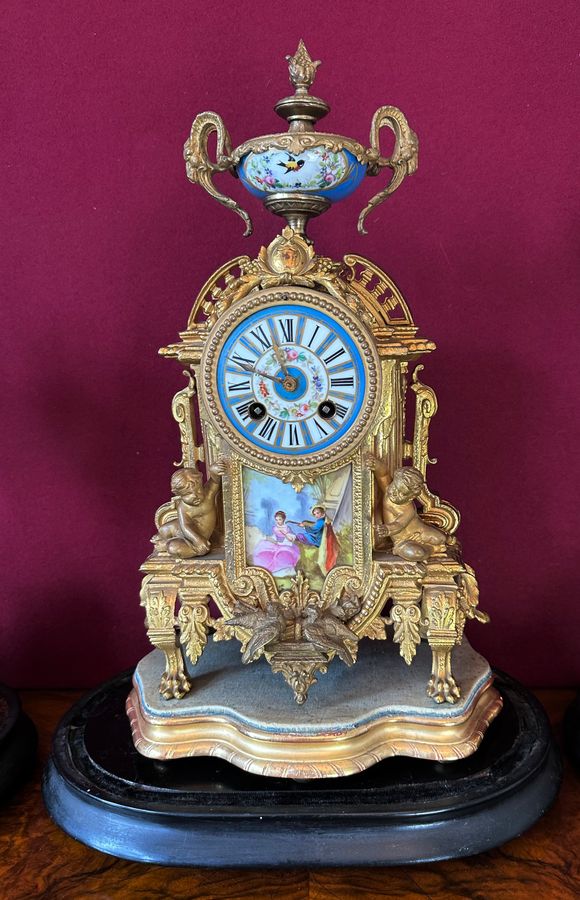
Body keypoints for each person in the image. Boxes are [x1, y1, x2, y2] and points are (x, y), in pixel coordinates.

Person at [252, 511, 300, 577]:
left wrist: (286, 534)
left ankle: (284, 571)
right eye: (276, 520)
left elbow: (291, 538)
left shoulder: (287, 528)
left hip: (285, 544)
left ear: (283, 519)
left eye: (279, 519)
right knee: (263, 548)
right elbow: (275, 536)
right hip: (277, 543)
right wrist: (272, 540)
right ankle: (270, 570)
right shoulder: (275, 528)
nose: (278, 521)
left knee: (283, 552)